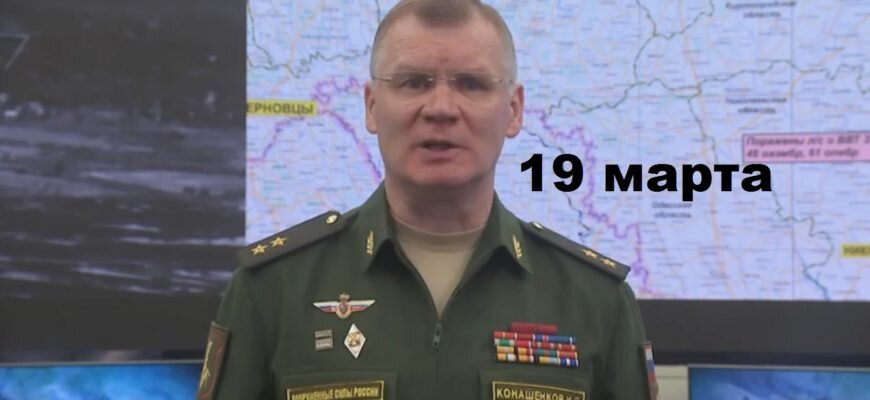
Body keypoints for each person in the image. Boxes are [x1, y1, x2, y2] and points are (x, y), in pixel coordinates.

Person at [196, 1, 657, 399]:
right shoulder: (272, 289)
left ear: (514, 110)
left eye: (471, 84)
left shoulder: (596, 300)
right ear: (371, 106)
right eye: (414, 82)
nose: (440, 108)